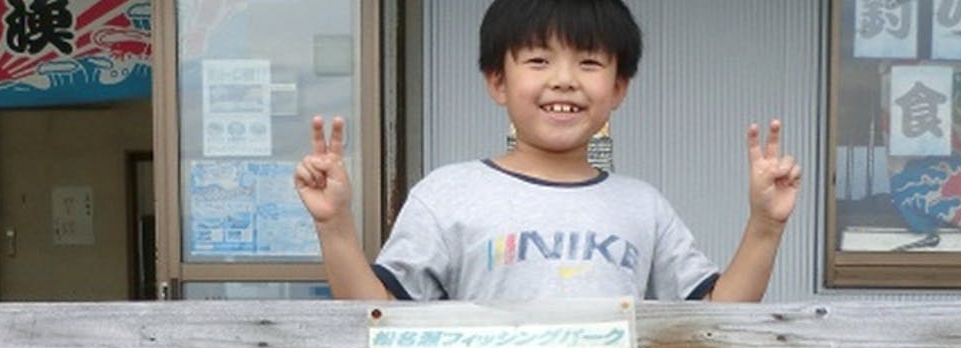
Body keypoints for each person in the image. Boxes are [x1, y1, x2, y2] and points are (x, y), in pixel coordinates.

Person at [294, 0, 801, 301]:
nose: (564, 81)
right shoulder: (446, 195)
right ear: (498, 81)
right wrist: (335, 226)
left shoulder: (643, 206)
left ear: (619, 88)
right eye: (538, 60)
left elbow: (717, 320)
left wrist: (765, 226)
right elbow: (375, 317)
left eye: (589, 63)